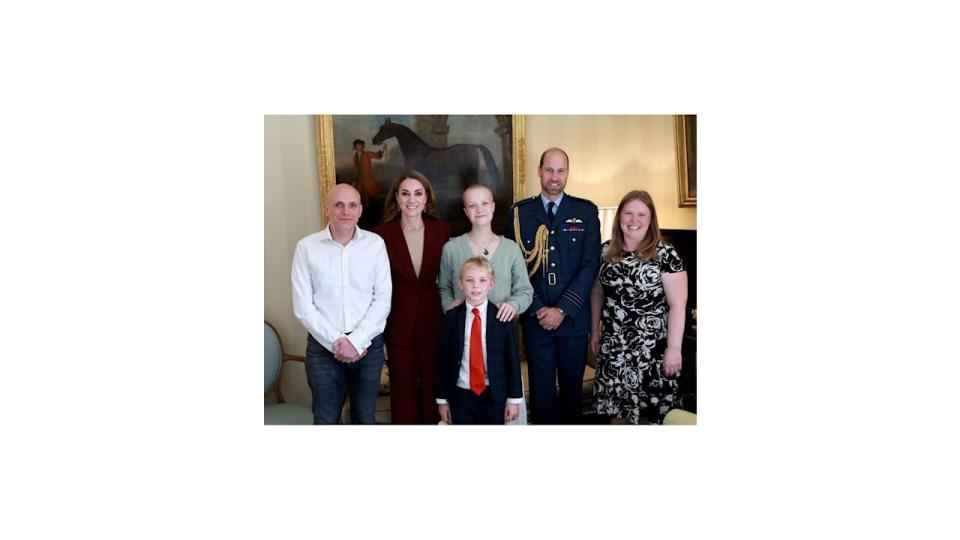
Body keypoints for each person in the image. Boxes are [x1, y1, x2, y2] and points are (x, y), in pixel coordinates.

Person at [504, 147, 601, 424]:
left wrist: (562, 309)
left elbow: (589, 265)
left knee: (572, 394)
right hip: (536, 321)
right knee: (542, 394)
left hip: (573, 321)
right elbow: (515, 267)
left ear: (567, 173)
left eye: (560, 170)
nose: (554, 177)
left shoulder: (585, 211)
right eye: (549, 170)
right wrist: (538, 309)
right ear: (539, 171)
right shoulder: (519, 214)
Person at [291, 183, 392, 424]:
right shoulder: (306, 248)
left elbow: (383, 298)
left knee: (365, 419)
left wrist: (356, 341)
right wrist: (338, 343)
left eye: (352, 205)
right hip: (322, 350)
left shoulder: (375, 244)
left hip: (368, 347)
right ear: (327, 209)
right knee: (325, 419)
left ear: (359, 211)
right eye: (339, 205)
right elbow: (303, 307)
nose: (345, 211)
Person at [589, 190, 688, 424]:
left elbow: (678, 305)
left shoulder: (666, 254)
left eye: (641, 214)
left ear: (651, 219)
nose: (634, 220)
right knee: (617, 416)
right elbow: (597, 291)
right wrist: (594, 330)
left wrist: (674, 349)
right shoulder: (605, 251)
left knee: (648, 419)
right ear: (619, 217)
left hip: (651, 352)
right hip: (614, 348)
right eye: (628, 213)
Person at [438, 183, 533, 424]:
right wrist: (452, 308)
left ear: (492, 207)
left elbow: (524, 290)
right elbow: (444, 287)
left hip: (500, 340)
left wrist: (512, 305)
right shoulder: (451, 249)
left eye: (484, 203)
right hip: (465, 337)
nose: (479, 209)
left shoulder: (511, 249)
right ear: (465, 211)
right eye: (472, 205)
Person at [372, 171, 450, 424]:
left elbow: (449, 279)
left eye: (418, 193)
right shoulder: (381, 235)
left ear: (427, 198)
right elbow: (375, 288)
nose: (412, 199)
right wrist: (379, 336)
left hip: (433, 323)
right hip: (397, 326)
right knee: (402, 397)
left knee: (432, 393)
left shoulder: (442, 230)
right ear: (397, 198)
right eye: (405, 193)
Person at [436, 257, 523, 425]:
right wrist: (442, 400)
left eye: (482, 280)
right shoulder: (452, 317)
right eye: (470, 280)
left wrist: (514, 399)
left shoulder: (502, 317)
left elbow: (512, 361)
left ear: (491, 284)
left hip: (494, 395)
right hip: (460, 394)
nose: (476, 286)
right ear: (460, 284)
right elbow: (443, 360)